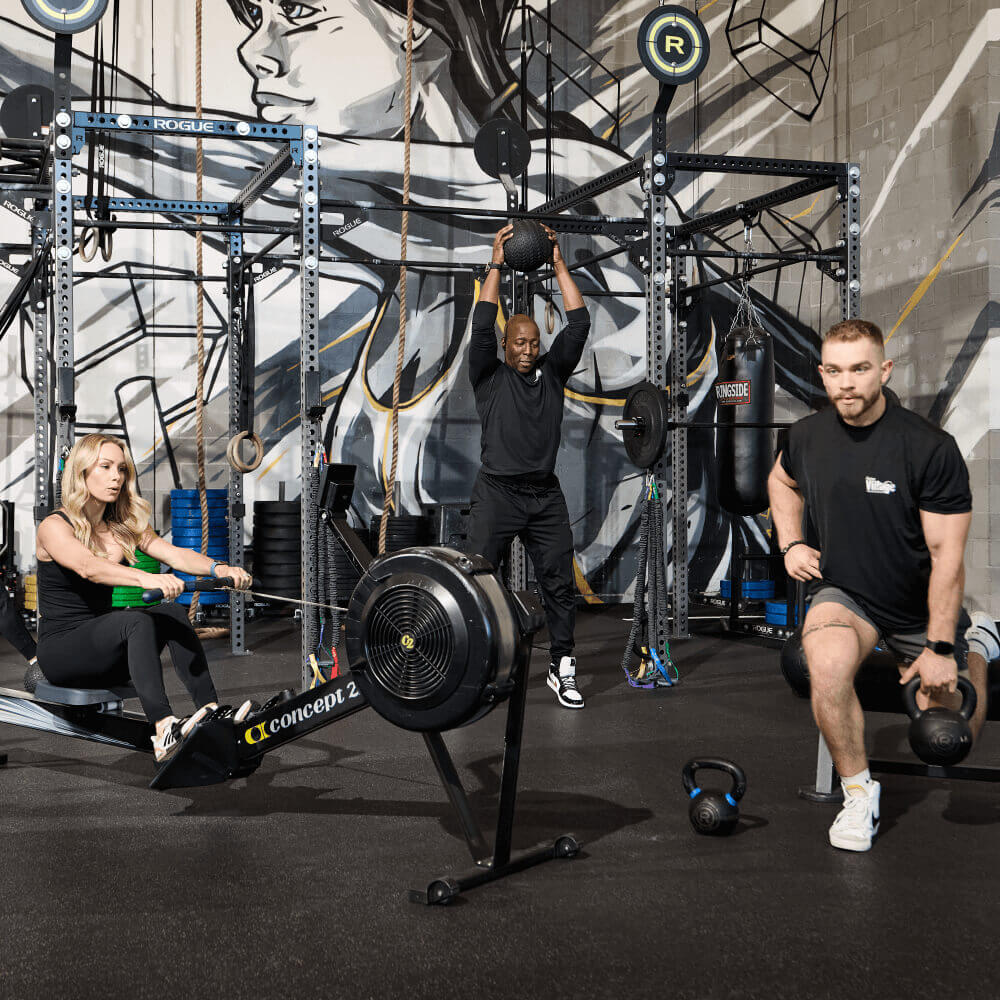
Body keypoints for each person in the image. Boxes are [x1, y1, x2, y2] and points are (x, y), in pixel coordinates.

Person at [768, 319, 999, 852]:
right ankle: (857, 793)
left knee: (947, 739)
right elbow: (780, 480)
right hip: (850, 596)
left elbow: (947, 559)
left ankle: (980, 644)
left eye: (860, 369)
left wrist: (942, 646)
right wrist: (791, 542)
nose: (846, 383)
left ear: (884, 370)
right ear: (822, 374)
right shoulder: (805, 437)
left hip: (921, 608)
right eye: (835, 371)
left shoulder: (927, 448)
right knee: (822, 662)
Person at [34, 434, 253, 765]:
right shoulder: (54, 526)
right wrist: (148, 578)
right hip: (61, 652)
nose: (116, 477)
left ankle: (211, 710)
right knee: (134, 620)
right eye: (105, 467)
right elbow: (88, 567)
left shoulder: (121, 527)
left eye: (121, 469)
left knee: (169, 613)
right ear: (82, 472)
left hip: (100, 649)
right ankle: (164, 727)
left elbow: (176, 555)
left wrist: (220, 567)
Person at [466, 224, 590, 709]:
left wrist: (559, 264)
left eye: (533, 341)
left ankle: (562, 666)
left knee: (559, 582)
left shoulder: (553, 374)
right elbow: (481, 323)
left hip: (544, 496)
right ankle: (473, 663)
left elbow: (578, 324)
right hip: (496, 493)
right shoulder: (487, 375)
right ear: (505, 344)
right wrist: (495, 262)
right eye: (518, 342)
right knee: (477, 578)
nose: (526, 349)